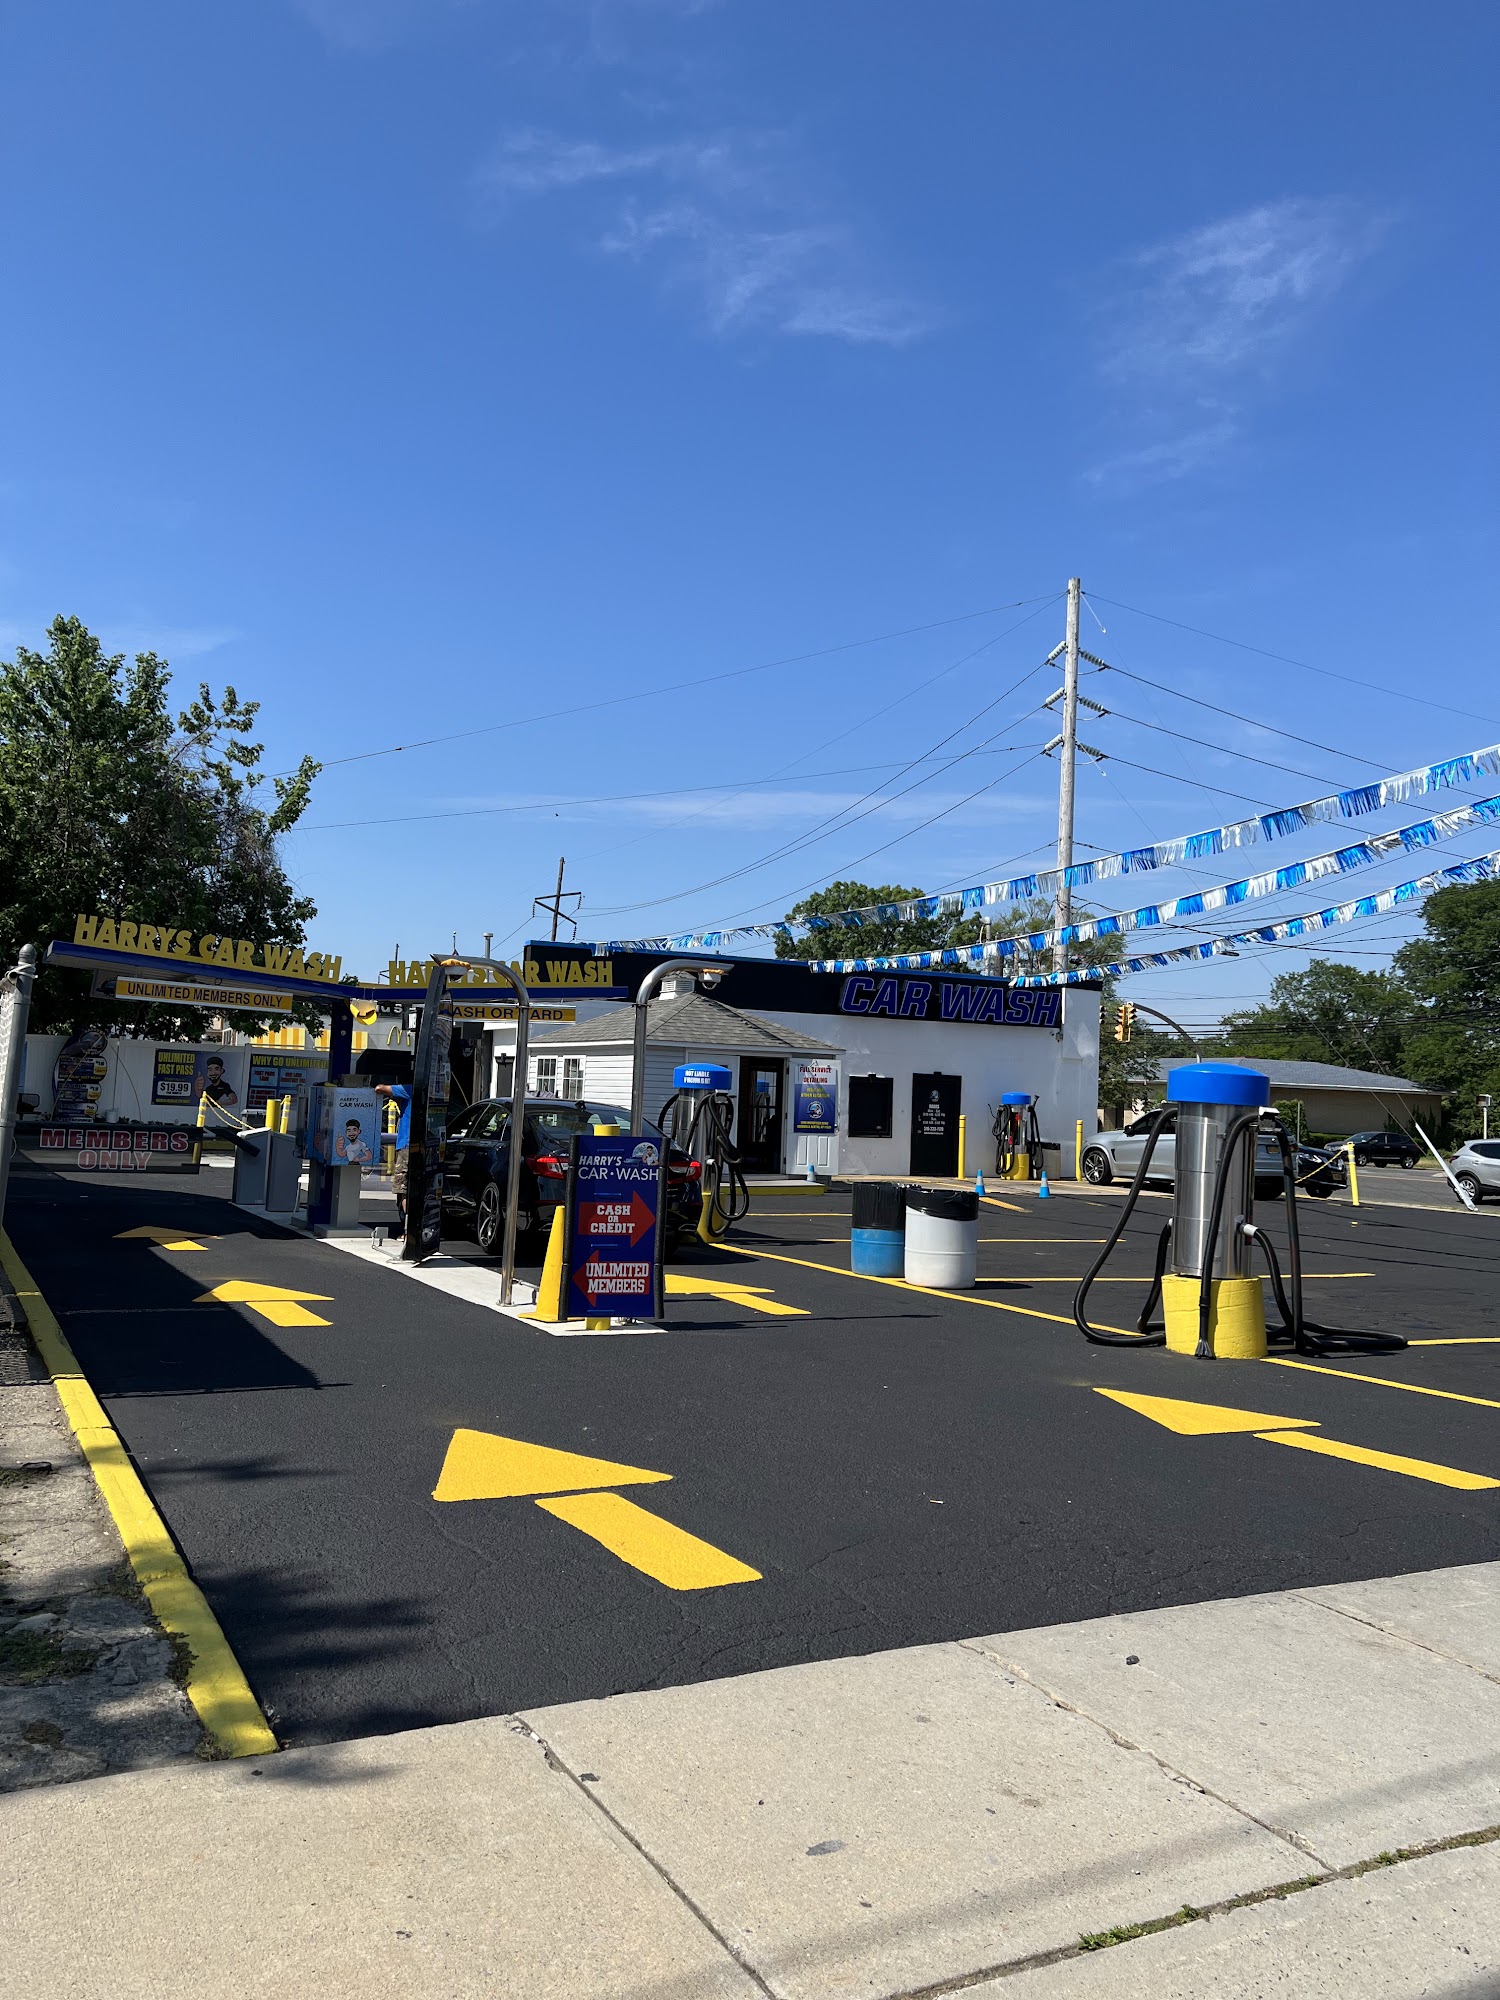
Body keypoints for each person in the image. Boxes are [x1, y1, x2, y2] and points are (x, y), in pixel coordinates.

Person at [374, 1081, 411, 1224]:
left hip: (406, 1146)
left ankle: (408, 1229)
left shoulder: (408, 1090)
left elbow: (380, 1088)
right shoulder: (431, 1094)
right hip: (421, 1145)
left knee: (403, 1188)